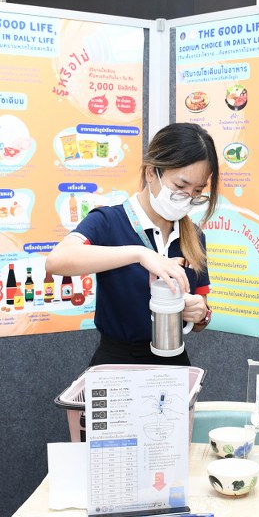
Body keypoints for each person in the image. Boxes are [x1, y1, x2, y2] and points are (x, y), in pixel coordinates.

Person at [46, 122, 219, 366]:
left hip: (174, 360)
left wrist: (201, 314)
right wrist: (139, 254)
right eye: (180, 186)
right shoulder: (109, 221)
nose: (187, 199)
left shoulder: (194, 236)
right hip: (117, 362)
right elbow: (56, 261)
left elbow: (202, 313)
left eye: (198, 191)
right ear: (151, 173)